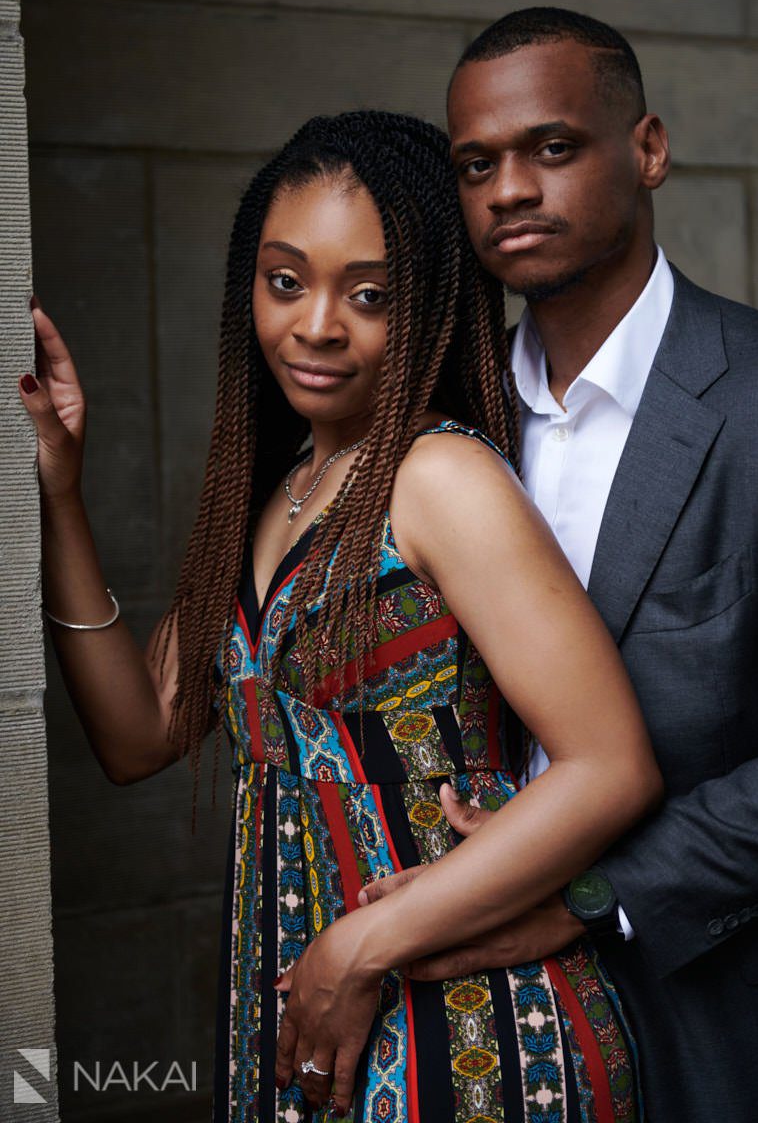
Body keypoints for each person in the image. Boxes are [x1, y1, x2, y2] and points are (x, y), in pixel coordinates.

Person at [20, 111, 664, 1121]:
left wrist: (357, 945)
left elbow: (611, 764)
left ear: (428, 309)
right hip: (300, 993)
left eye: (368, 297)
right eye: (286, 281)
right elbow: (137, 736)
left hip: (463, 1018)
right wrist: (60, 492)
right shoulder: (276, 490)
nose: (316, 324)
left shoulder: (440, 475)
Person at [361, 8, 758, 1121]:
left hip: (728, 1016)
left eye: (552, 148)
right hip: (484, 1017)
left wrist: (597, 894)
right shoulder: (446, 422)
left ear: (647, 149)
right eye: (476, 164)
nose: (508, 191)